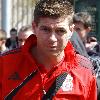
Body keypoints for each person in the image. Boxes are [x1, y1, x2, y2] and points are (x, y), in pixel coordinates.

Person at [0, 0, 97, 100]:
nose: (52, 38)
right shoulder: (5, 64)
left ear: (71, 30)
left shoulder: (85, 71)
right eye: (45, 29)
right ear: (34, 27)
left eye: (60, 31)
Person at [73, 12, 100, 100]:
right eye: (73, 29)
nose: (74, 33)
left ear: (87, 30)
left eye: (78, 29)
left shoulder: (96, 49)